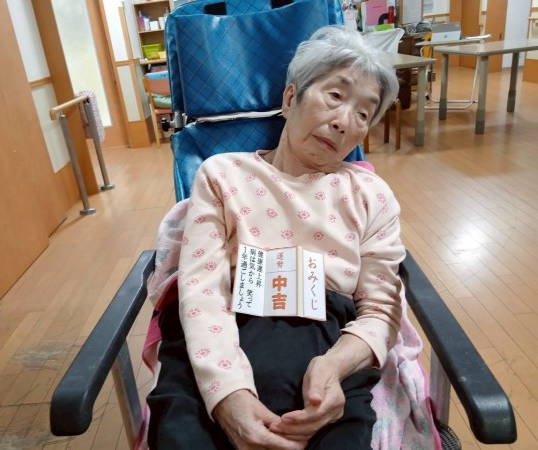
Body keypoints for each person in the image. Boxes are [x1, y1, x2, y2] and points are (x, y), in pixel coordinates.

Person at [147, 25, 405, 449]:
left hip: (326, 345)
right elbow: (202, 291)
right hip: (219, 337)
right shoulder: (223, 174)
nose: (343, 122)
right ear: (290, 98)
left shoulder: (371, 196)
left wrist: (334, 368)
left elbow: (381, 310)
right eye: (335, 96)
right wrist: (227, 395)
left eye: (363, 114)